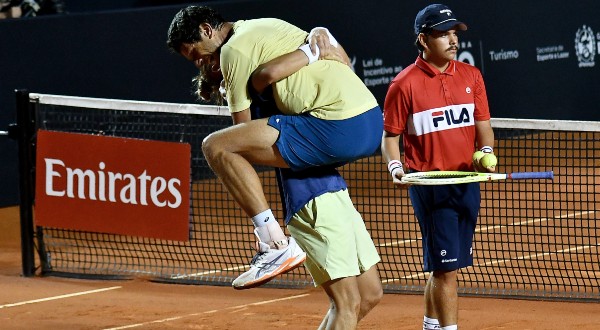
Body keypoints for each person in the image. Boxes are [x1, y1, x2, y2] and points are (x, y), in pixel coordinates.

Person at [167, 5, 383, 289]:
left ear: (207, 30)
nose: (198, 62)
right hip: (368, 118)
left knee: (216, 146)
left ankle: (274, 243)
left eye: (194, 53)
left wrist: (233, 89)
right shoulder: (263, 26)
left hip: (338, 127)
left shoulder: (234, 51)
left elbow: (239, 131)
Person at [193, 55, 383, 327]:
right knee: (347, 303)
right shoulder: (257, 103)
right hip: (311, 202)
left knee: (371, 294)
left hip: (334, 190)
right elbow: (272, 71)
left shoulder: (278, 94)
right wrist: (311, 45)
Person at [380, 4, 495, 330]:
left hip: (467, 183)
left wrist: (484, 152)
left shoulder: (472, 76)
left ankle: (431, 325)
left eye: (454, 32)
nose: (452, 39)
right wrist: (395, 167)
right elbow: (390, 139)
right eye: (443, 33)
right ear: (423, 39)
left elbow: (483, 127)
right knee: (447, 270)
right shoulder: (404, 85)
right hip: (431, 187)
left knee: (441, 267)